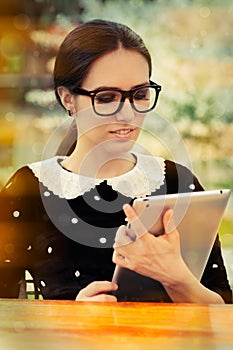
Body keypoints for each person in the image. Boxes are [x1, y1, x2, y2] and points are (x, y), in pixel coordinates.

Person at [0, 19, 232, 303]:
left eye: (139, 94)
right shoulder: (28, 188)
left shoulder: (177, 183)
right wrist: (71, 317)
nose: (127, 114)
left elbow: (224, 308)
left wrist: (178, 280)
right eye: (106, 97)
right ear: (68, 99)